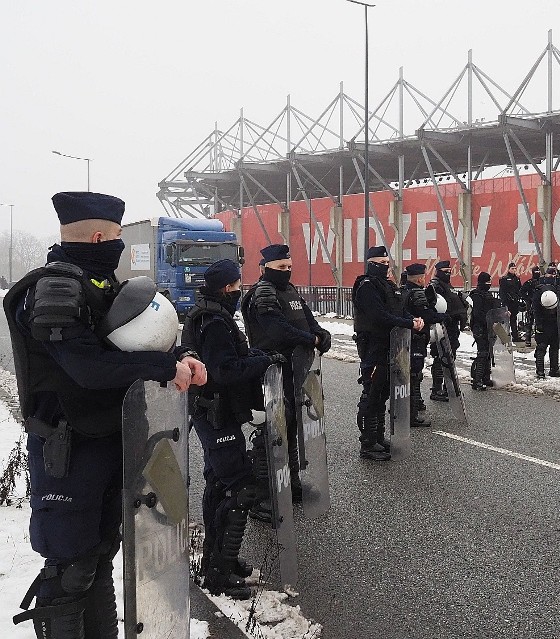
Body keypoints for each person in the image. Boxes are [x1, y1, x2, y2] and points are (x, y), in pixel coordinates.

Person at [5, 192, 207, 638]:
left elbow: (135, 346)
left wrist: (181, 356)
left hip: (107, 440)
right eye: (116, 236)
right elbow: (87, 369)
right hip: (69, 449)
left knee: (98, 556)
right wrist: (161, 367)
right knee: (69, 566)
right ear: (99, 236)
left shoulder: (100, 287)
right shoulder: (55, 289)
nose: (119, 245)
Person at [182, 259, 277, 600]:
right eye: (237, 286)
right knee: (239, 488)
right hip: (217, 414)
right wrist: (262, 360)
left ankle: (219, 558)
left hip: (214, 414)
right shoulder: (215, 322)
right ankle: (219, 573)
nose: (240, 292)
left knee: (219, 484)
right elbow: (223, 370)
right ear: (226, 287)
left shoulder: (206, 314)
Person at [242, 244, 332, 499]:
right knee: (274, 428)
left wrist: (320, 334)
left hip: (295, 368)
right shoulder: (263, 293)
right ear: (265, 268)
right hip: (273, 370)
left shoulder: (289, 290)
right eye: (281, 267)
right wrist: (309, 339)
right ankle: (266, 491)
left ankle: (289, 482)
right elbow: (276, 329)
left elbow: (307, 318)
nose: (287, 271)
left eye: (289, 267)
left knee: (291, 425)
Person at [353, 247, 424, 460]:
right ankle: (368, 442)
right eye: (381, 263)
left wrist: (413, 320)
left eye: (387, 262)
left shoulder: (387, 286)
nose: (386, 266)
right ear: (371, 263)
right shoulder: (367, 286)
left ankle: (378, 437)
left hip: (391, 347)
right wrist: (408, 323)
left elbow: (398, 310)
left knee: (383, 393)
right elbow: (378, 316)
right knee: (372, 394)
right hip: (374, 347)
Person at [401, 263, 446, 426]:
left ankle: (409, 405)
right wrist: (441, 317)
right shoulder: (417, 293)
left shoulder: (403, 290)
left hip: (405, 338)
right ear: (420, 278)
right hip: (417, 338)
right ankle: (411, 414)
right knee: (414, 375)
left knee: (407, 374)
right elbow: (426, 314)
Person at [429, 259, 466, 401]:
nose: (448, 274)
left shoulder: (447, 285)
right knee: (440, 357)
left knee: (450, 357)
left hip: (451, 328)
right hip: (441, 327)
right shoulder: (435, 286)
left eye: (450, 271)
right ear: (439, 272)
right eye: (445, 272)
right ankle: (436, 389)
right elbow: (434, 305)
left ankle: (448, 388)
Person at [469, 272, 499, 390]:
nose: (489, 284)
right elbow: (477, 313)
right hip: (480, 327)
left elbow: (492, 309)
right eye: (487, 282)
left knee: (488, 351)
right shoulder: (476, 295)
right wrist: (488, 320)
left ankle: (485, 377)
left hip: (488, 327)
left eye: (490, 282)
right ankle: (477, 379)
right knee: (482, 353)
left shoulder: (487, 294)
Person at [532, 267, 560, 379]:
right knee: (543, 347)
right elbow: (536, 308)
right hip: (546, 322)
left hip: (552, 322)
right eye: (551, 275)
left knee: (552, 346)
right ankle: (543, 370)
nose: (553, 277)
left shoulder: (554, 288)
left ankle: (551, 369)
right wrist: (539, 322)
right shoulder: (540, 289)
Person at [498, 262, 522, 342]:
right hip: (507, 303)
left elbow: (519, 290)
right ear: (509, 269)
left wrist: (519, 299)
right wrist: (504, 303)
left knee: (513, 319)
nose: (514, 270)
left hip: (514, 303)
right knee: (505, 320)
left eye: (515, 268)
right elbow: (502, 292)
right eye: (512, 268)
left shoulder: (517, 279)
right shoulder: (504, 279)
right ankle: (504, 337)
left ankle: (515, 336)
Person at [519, 265, 542, 347]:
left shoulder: (542, 282)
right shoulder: (529, 283)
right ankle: (528, 339)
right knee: (529, 323)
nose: (538, 274)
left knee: (540, 323)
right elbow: (522, 291)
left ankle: (539, 340)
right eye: (536, 272)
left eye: (538, 272)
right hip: (531, 305)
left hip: (540, 305)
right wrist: (528, 299)